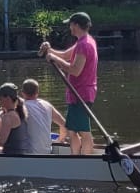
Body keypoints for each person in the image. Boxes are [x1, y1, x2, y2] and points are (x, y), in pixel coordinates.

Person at [40, 10, 98, 155]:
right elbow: (66, 55)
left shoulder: (84, 44)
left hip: (81, 93)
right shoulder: (85, 41)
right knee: (72, 130)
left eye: (71, 25)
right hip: (78, 93)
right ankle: (76, 156)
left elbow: (75, 70)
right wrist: (49, 50)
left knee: (83, 131)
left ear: (76, 25)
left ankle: (84, 160)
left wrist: (54, 59)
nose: (69, 28)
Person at [21, 78, 66, 153]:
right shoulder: (47, 105)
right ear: (37, 92)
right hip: (47, 152)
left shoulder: (22, 107)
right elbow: (64, 125)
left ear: (22, 93)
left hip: (30, 154)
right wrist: (59, 140)